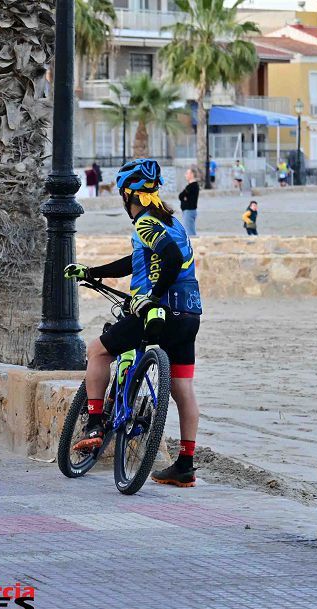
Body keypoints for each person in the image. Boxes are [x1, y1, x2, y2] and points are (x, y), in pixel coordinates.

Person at [64, 158, 202, 488]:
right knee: (182, 387)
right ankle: (185, 464)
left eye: (122, 196)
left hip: (160, 312)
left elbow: (169, 257)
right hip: (190, 313)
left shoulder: (145, 224)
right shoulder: (174, 222)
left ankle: (95, 423)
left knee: (98, 351)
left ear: (129, 195)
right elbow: (136, 261)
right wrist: (93, 271)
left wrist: (152, 296)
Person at [177, 166, 199, 237]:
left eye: (187, 173)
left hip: (189, 211)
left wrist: (184, 197)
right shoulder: (190, 186)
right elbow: (181, 196)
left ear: (192, 175)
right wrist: (184, 198)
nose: (185, 175)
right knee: (189, 231)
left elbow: (181, 196)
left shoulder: (192, 186)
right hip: (187, 211)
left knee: (190, 233)